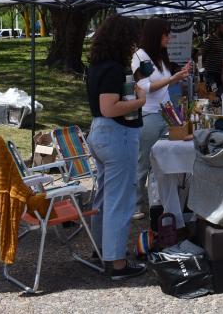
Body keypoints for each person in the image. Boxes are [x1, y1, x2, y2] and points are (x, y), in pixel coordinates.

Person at [85, 14, 147, 280]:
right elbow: (109, 107)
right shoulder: (112, 69)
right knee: (119, 201)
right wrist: (139, 101)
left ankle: (102, 249)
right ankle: (116, 262)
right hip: (116, 135)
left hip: (99, 133)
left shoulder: (96, 66)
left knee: (103, 196)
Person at [131, 18, 191, 218]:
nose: (169, 38)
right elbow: (144, 87)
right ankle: (136, 204)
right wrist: (172, 78)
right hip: (149, 114)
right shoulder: (140, 56)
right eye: (166, 34)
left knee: (164, 159)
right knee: (144, 161)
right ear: (155, 35)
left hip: (166, 113)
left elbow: (163, 83)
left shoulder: (161, 56)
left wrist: (178, 75)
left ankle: (160, 202)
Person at [202, 22, 223, 94]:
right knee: (214, 91)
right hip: (210, 72)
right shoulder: (210, 39)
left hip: (219, 72)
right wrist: (203, 65)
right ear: (218, 29)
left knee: (219, 92)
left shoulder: (221, 41)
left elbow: (221, 55)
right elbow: (203, 53)